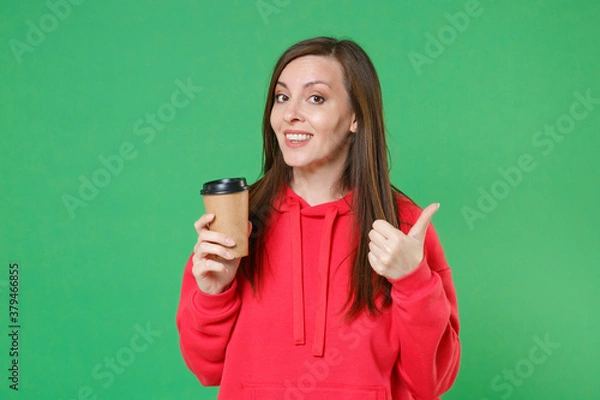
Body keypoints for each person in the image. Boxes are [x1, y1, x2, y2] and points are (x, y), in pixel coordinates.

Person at [176, 36, 460, 399]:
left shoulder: (402, 226)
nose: (290, 113)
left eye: (316, 98)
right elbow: (206, 368)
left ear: (356, 117)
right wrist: (214, 292)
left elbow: (432, 382)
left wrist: (414, 282)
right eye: (282, 97)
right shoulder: (238, 219)